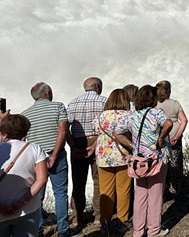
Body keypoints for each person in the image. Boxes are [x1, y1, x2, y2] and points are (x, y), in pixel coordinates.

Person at [21, 82, 75, 237]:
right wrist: (54, 155)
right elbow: (63, 131)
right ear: (46, 93)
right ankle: (63, 230)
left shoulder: (25, 114)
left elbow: (23, 139)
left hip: (35, 159)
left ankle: (36, 230)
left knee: (37, 195)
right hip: (56, 156)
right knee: (60, 193)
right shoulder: (58, 106)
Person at [118, 85, 172, 237]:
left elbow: (116, 131)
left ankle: (138, 231)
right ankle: (154, 230)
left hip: (139, 160)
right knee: (155, 195)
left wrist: (131, 145)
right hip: (156, 158)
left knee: (140, 196)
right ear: (153, 98)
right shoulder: (156, 113)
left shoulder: (132, 116)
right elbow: (168, 123)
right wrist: (160, 139)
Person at [91, 89, 132, 234]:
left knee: (106, 191)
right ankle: (122, 219)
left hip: (103, 158)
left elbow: (95, 129)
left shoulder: (101, 116)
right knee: (123, 189)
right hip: (123, 156)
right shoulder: (128, 115)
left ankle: (105, 222)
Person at [66, 77, 106, 226]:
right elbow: (107, 125)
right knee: (99, 180)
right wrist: (95, 144)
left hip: (77, 141)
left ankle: (76, 218)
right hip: (98, 141)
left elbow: (64, 127)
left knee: (78, 181)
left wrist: (73, 146)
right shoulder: (104, 101)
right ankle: (98, 216)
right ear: (96, 86)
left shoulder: (73, 102)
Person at [0, 114, 48, 237]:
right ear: (26, 131)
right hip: (27, 209)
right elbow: (42, 179)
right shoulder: (35, 149)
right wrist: (21, 203)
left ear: (4, 133)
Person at [156, 81, 188, 199]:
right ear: (169, 90)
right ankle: (175, 190)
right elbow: (184, 121)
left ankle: (163, 190)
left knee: (162, 164)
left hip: (160, 139)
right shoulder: (175, 104)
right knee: (176, 164)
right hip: (174, 139)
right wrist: (177, 136)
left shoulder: (154, 104)